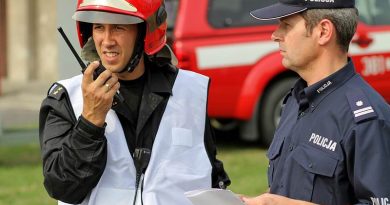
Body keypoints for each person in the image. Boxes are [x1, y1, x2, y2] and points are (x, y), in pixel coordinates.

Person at [39, 0, 230, 205]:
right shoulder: (66, 97)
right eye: (99, 27)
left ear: (145, 32)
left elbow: (210, 180)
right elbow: (62, 187)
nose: (107, 40)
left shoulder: (191, 91)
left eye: (119, 27)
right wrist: (90, 121)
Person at [241, 0, 390, 204]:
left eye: (286, 25)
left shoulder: (366, 120)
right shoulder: (295, 100)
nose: (275, 35)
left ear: (323, 32)